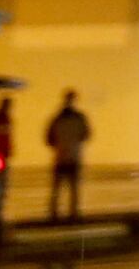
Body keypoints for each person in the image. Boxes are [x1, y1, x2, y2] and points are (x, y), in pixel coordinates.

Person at [43, 91, 90, 222]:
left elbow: (48, 139)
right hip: (73, 155)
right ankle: (72, 213)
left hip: (61, 155)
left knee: (58, 188)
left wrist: (59, 145)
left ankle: (55, 213)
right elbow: (86, 135)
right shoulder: (80, 118)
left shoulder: (57, 118)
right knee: (73, 188)